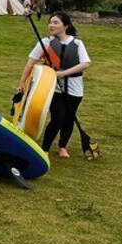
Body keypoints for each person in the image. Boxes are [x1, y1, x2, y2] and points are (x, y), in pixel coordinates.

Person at [17, 11, 91, 158]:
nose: (51, 25)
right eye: (50, 22)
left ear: (66, 25)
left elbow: (85, 63)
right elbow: (30, 63)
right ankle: (44, 148)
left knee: (69, 117)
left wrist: (63, 73)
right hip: (53, 87)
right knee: (58, 117)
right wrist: (22, 83)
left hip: (75, 87)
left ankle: (62, 147)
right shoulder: (45, 42)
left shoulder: (76, 43)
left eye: (55, 22)